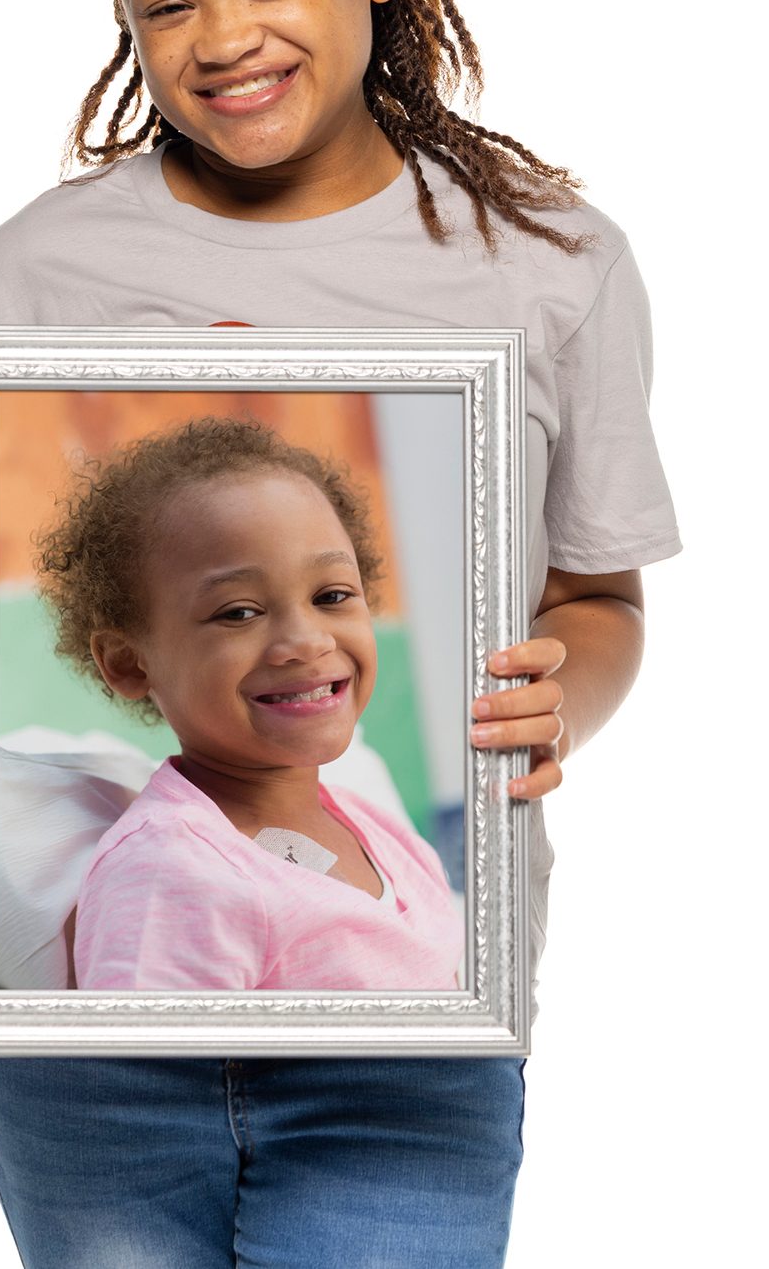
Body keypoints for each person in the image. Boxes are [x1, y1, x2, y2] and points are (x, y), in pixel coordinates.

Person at [0, 0, 681, 1269]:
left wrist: (555, 692)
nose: (223, 37)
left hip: (413, 1051)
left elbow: (605, 599)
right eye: (165, 2)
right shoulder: (37, 275)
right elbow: (35, 617)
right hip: (93, 1071)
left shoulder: (549, 264)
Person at [34, 414, 466, 992]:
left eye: (331, 596)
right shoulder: (170, 873)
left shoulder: (381, 832)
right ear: (127, 662)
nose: (308, 642)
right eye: (239, 612)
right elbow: (150, 1080)